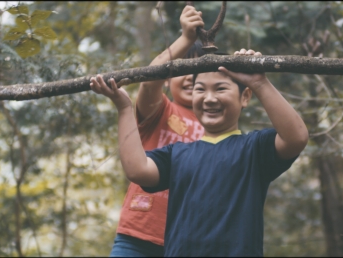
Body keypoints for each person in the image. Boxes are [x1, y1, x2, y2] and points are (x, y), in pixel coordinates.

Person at [90, 48, 309, 256]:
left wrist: (260, 82)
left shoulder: (254, 148)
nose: (209, 98)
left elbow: (296, 137)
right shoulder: (176, 154)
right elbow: (137, 170)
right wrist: (124, 108)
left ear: (245, 97)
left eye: (220, 89)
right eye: (200, 89)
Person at [105, 5, 206, 257]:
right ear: (169, 78)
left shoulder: (216, 127)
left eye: (198, 71)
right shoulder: (162, 109)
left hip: (189, 241)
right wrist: (186, 39)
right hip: (137, 235)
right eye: (183, 70)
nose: (191, 78)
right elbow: (150, 82)